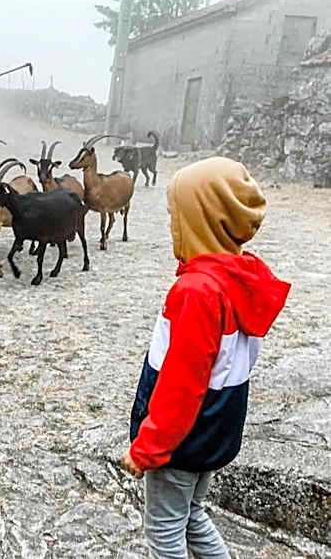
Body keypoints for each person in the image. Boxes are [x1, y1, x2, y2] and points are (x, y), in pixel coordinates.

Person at [121, 157, 290, 558]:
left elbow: (182, 384)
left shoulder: (197, 291)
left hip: (182, 439)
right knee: (193, 515)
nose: (170, 225)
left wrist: (148, 447)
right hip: (216, 427)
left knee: (164, 533)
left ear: (202, 221)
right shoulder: (241, 276)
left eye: (175, 216)